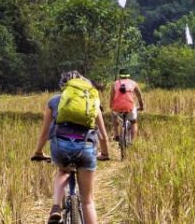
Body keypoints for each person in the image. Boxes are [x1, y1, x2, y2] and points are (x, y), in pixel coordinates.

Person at [32, 71, 111, 224]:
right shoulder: (92, 102)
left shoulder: (55, 101)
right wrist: (105, 153)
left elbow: (45, 134)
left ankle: (56, 207)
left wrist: (38, 152)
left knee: (62, 170)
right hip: (86, 148)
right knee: (87, 200)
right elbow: (102, 135)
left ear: (64, 86)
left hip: (60, 147)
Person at [109, 71, 145, 139]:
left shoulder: (114, 84)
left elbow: (111, 98)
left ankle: (116, 135)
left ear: (120, 75)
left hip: (117, 107)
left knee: (114, 115)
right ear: (128, 76)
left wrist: (111, 106)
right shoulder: (134, 83)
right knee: (133, 122)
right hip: (130, 107)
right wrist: (141, 106)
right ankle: (133, 141)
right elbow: (139, 97)